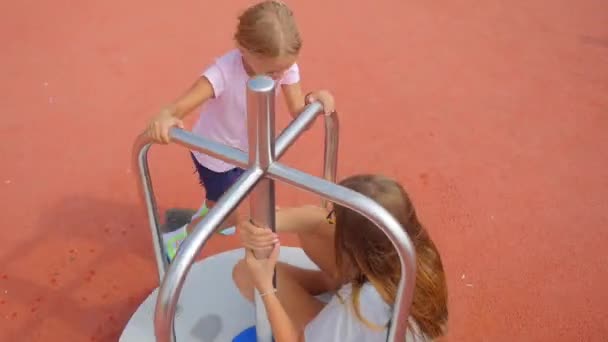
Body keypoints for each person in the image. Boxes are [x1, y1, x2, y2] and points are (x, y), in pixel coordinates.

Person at [144, 0, 336, 261]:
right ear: (243, 49)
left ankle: (212, 210)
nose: (280, 76)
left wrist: (314, 103)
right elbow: (176, 108)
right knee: (233, 212)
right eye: (272, 71)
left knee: (220, 203)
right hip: (217, 156)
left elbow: (299, 113)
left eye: (285, 69)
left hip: (248, 152)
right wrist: (164, 118)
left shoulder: (284, 66)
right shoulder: (223, 73)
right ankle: (180, 239)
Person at [233, 174, 448, 341]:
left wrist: (265, 286)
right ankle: (327, 282)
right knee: (316, 224)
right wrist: (261, 223)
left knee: (246, 275)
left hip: (363, 315)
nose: (328, 213)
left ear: (356, 245)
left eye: (334, 213)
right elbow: (320, 221)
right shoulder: (413, 248)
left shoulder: (367, 303)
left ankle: (287, 284)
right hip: (375, 314)